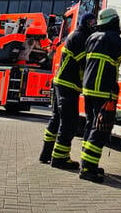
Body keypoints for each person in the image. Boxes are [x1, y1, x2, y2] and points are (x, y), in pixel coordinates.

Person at [79, 7, 121, 183]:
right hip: (105, 91)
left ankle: (86, 164)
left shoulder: (91, 38)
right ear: (115, 21)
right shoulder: (116, 41)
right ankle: (89, 169)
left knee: (91, 125)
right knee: (101, 129)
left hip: (88, 90)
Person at [39, 12, 95, 169]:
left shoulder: (74, 35)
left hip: (61, 83)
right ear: (88, 24)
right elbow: (85, 63)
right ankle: (60, 159)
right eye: (92, 24)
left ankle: (46, 154)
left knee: (56, 119)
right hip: (68, 85)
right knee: (69, 121)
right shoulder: (79, 38)